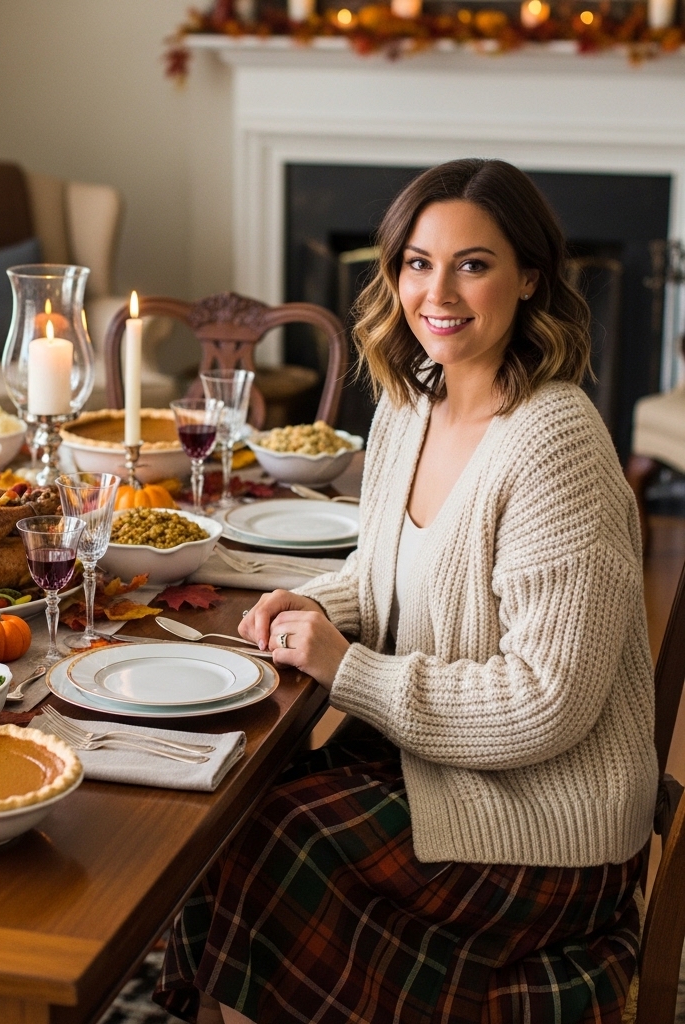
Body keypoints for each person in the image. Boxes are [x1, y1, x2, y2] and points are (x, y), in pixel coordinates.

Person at [153, 159, 658, 1024]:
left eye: (474, 263)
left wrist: (347, 669)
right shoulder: (407, 403)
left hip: (544, 824)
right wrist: (313, 607)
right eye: (418, 262)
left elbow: (547, 703)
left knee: (278, 842)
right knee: (225, 812)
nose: (440, 290)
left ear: (530, 277)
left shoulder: (556, 442)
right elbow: (382, 576)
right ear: (391, 274)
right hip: (442, 767)